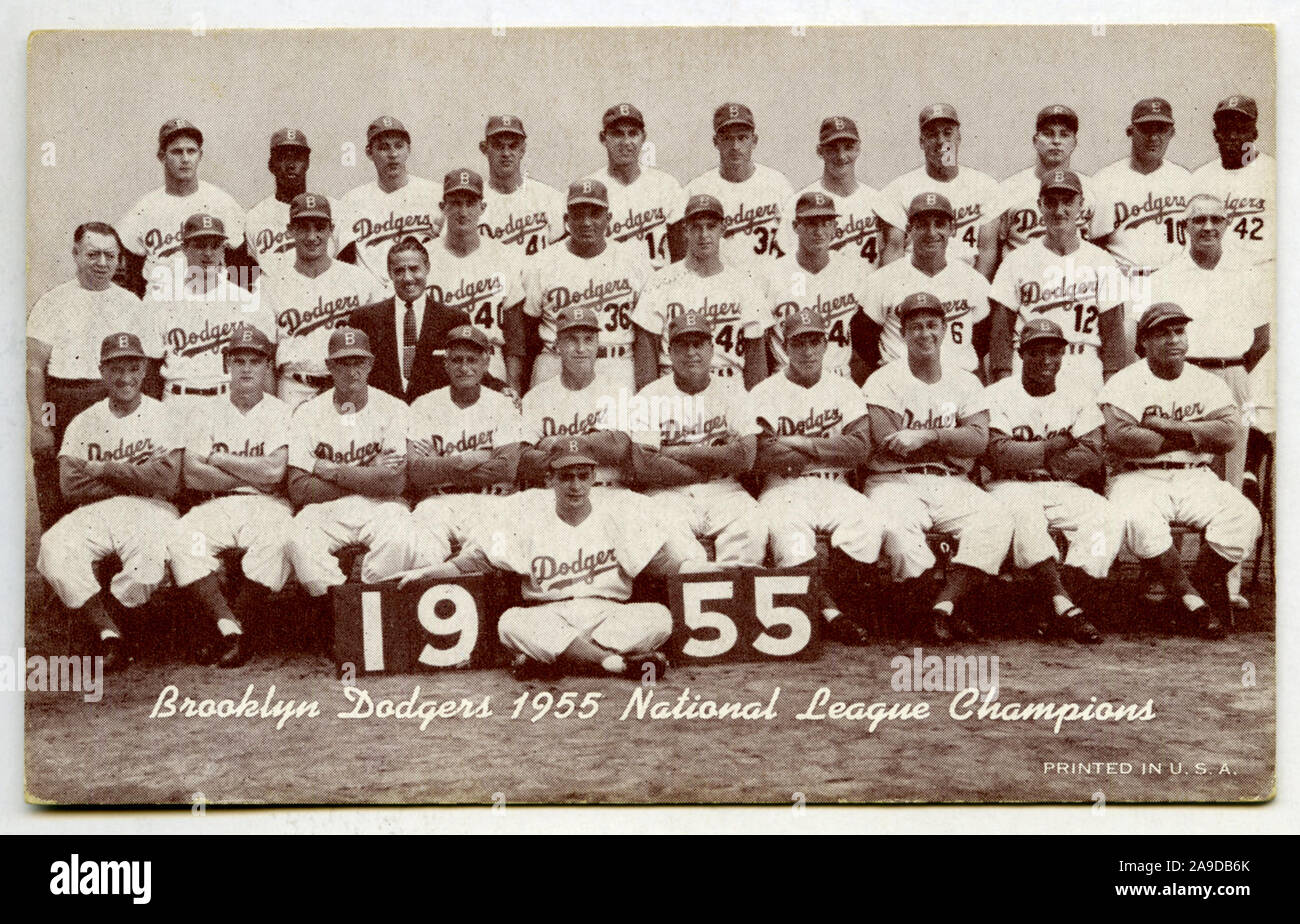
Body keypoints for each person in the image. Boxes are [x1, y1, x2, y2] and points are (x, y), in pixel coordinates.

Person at [394, 435, 704, 682]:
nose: (576, 485)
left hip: (607, 613)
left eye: (583, 476)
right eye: (566, 476)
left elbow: (664, 564)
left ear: (594, 477)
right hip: (549, 613)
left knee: (659, 618)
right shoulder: (527, 511)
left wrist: (713, 570)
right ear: (549, 480)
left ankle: (561, 659)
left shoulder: (617, 510)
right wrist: (433, 572)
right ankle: (611, 662)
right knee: (510, 623)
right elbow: (481, 559)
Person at [1099, 303, 1261, 638]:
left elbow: (1229, 435)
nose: (1174, 339)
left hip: (1194, 475)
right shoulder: (1125, 381)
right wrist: (1197, 433)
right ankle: (1192, 602)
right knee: (1139, 519)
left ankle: (1189, 592)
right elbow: (1122, 439)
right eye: (1162, 333)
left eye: (1179, 331)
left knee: (1244, 517)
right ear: (1143, 341)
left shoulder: (1207, 382)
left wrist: (1161, 426)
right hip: (1137, 475)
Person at [862, 292, 1013, 642]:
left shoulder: (965, 380)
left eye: (932, 325)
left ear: (945, 330)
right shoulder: (884, 379)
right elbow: (888, 442)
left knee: (996, 520)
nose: (925, 334)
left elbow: (978, 442)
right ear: (903, 332)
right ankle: (938, 611)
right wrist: (951, 441)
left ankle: (941, 607)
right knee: (897, 532)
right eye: (916, 327)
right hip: (894, 482)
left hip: (951, 482)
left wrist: (925, 435)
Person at [36, 333, 183, 671]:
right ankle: (108, 632)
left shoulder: (164, 415)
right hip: (97, 511)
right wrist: (139, 474)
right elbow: (70, 486)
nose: (125, 378)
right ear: (102, 371)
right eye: (116, 369)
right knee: (54, 546)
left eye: (133, 367)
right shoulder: (84, 421)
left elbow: (168, 482)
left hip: (153, 508)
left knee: (148, 554)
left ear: (145, 369)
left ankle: (125, 620)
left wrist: (103, 470)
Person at [748, 309, 883, 646]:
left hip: (834, 484)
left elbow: (859, 448)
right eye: (798, 343)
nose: (807, 351)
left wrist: (800, 444)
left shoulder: (845, 388)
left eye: (814, 341)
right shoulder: (764, 392)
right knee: (787, 534)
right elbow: (762, 454)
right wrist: (828, 446)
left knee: (868, 522)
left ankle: (831, 606)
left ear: (825, 344)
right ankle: (831, 614)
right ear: (785, 347)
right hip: (784, 488)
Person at [982, 318, 1123, 643]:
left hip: (1062, 484)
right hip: (1010, 484)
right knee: (1025, 513)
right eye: (1036, 353)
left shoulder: (1079, 394)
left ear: (1063, 355)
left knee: (1106, 517)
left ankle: (1054, 604)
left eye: (1053, 352)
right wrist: (1057, 446)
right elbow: (999, 454)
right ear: (1021, 354)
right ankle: (1063, 604)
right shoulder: (997, 394)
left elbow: (1092, 453)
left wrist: (1035, 454)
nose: (1046, 361)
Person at [165, 327, 293, 667]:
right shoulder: (205, 410)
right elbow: (192, 474)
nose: (246, 368)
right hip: (216, 504)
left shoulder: (280, 411)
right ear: (227, 364)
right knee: (183, 539)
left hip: (267, 504)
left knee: (281, 540)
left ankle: (237, 628)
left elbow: (274, 474)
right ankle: (231, 628)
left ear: (268, 366)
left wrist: (220, 458)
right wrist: (251, 470)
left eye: (255, 361)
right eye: (239, 361)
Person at [28, 223, 162, 529]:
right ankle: (57, 563)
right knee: (57, 484)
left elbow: (149, 367)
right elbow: (35, 369)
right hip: (63, 398)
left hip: (114, 400)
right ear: (76, 255)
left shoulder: (131, 304)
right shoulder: (52, 302)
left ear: (118, 260)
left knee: (111, 483)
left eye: (110, 256)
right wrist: (40, 424)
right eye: (93, 254)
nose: (102, 263)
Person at [629, 309, 768, 566]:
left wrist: (676, 453)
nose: (691, 352)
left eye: (699, 344)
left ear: (712, 349)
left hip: (725, 491)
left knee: (753, 525)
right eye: (682, 345)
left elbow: (745, 456)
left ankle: (731, 596)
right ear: (669, 353)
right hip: (668, 493)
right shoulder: (650, 395)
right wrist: (713, 462)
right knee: (673, 545)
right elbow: (645, 464)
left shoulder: (732, 391)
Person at [285, 327, 411, 598]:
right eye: (343, 363)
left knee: (402, 536)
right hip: (326, 508)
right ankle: (339, 601)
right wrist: (369, 473)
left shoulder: (394, 408)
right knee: (297, 537)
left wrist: (331, 471)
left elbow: (395, 482)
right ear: (329, 366)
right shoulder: (307, 413)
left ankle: (364, 593)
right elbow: (298, 489)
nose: (352, 371)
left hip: (382, 506)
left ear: (371, 364)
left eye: (359, 362)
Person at [988, 170, 1127, 392]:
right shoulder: (1017, 260)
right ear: (1040, 205)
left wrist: (1111, 390)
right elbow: (1001, 334)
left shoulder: (1102, 261)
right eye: (1050, 202)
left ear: (1081, 204)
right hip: (1028, 368)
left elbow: (1113, 337)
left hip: (1083, 362)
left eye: (1067, 202)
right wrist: (1005, 389)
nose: (1059, 210)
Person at [405, 324, 523, 570]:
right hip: (438, 504)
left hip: (491, 500)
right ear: (445, 363)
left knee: (493, 554)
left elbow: (506, 469)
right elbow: (416, 472)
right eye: (456, 360)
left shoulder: (502, 405)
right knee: (420, 552)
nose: (464, 367)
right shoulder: (424, 405)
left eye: (472, 359)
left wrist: (440, 464)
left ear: (486, 361)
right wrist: (479, 456)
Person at [520, 179, 651, 391]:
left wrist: (646, 391)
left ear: (608, 218)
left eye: (595, 214)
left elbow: (645, 334)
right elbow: (528, 333)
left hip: (615, 361)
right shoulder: (541, 262)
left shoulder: (633, 261)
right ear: (566, 220)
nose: (587, 222)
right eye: (578, 214)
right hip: (556, 361)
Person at [632, 193, 769, 392]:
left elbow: (756, 359)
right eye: (696, 227)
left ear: (722, 229)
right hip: (673, 386)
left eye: (711, 226)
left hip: (729, 384)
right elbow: (646, 354)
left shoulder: (744, 285)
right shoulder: (661, 281)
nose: (704, 234)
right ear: (685, 230)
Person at [348, 234, 503, 403]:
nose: (407, 278)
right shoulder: (365, 318)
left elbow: (469, 368)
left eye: (414, 269)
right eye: (399, 271)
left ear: (427, 268)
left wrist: (502, 388)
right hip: (385, 415)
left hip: (432, 415)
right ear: (389, 273)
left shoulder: (453, 319)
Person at [854, 192, 991, 379]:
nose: (932, 233)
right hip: (901, 380)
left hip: (959, 381)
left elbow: (983, 337)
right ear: (909, 230)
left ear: (952, 228)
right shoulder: (883, 279)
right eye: (922, 225)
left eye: (939, 224)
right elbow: (862, 338)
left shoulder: (973, 280)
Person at [150, 214, 277, 410]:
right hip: (178, 399)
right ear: (184, 248)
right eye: (200, 245)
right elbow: (150, 367)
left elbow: (265, 366)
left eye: (215, 245)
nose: (208, 253)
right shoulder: (162, 300)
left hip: (228, 400)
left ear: (223, 249)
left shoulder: (245, 299)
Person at [263, 193, 378, 409]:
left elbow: (378, 344)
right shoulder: (270, 284)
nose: (312, 236)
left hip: (346, 387)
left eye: (319, 227)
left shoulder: (359, 279)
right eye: (303, 227)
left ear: (331, 230)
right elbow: (266, 359)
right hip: (294, 388)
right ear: (290, 230)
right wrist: (272, 412)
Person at [424, 168, 527, 393]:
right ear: (443, 208)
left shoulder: (503, 256)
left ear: (482, 207)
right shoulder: (425, 257)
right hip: (438, 362)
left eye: (470, 203)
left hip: (490, 359)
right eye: (455, 202)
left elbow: (514, 334)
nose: (463, 211)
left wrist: (514, 383)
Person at [116, 118, 246, 296]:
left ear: (200, 155)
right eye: (176, 152)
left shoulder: (221, 202)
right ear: (162, 156)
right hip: (161, 301)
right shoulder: (144, 208)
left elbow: (241, 262)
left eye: (191, 151)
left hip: (210, 299)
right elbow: (129, 272)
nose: (185, 159)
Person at [977, 105, 1105, 281]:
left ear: (1074, 143)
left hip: (1076, 285)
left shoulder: (1092, 190)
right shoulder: (1006, 190)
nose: (1056, 141)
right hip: (1023, 284)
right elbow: (988, 252)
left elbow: (1101, 252)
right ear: (1035, 140)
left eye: (1064, 134)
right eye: (1048, 133)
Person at [518, 305, 633, 490]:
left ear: (597, 344)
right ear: (557, 345)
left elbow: (620, 447)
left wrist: (555, 444)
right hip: (555, 495)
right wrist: (596, 443)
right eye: (571, 340)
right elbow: (522, 458)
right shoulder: (536, 397)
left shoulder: (618, 391)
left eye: (588, 340)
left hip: (608, 490)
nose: (581, 348)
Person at [764, 191, 873, 381]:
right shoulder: (772, 273)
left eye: (826, 223)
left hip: (839, 378)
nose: (819, 231)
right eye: (811, 223)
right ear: (796, 226)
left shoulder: (853, 272)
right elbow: (758, 340)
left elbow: (866, 339)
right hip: (786, 379)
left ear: (835, 228)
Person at [881, 104, 999, 269]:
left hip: (967, 281)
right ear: (922, 142)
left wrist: (975, 292)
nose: (941, 141)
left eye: (948, 133)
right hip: (915, 282)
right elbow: (894, 250)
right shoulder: (899, 189)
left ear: (959, 137)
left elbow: (987, 250)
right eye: (932, 135)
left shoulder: (985, 185)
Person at [682, 103, 795, 270]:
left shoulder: (777, 184)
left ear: (754, 140)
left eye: (742, 138)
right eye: (727, 138)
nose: (735, 147)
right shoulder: (697, 189)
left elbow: (794, 246)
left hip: (769, 288)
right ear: (716, 142)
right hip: (720, 289)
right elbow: (685, 254)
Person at [336, 116, 443, 289]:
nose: (393, 154)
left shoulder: (434, 194)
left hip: (424, 292)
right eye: (383, 147)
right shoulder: (352, 201)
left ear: (408, 149)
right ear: (369, 153)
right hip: (374, 300)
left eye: (399, 146)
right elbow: (340, 262)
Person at [785, 115, 903, 271]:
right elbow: (789, 263)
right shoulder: (799, 203)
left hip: (869, 292)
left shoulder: (879, 201)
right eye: (832, 148)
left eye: (848, 147)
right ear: (820, 151)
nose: (841, 156)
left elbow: (894, 256)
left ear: (858, 148)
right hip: (822, 292)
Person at [1089, 98, 1191, 276]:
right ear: (1130, 131)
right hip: (1128, 279)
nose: (1154, 138)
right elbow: (1091, 243)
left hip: (1176, 279)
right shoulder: (1104, 180)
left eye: (1161, 129)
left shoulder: (1185, 179)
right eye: (1145, 129)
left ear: (1172, 133)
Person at [585, 103, 684, 270]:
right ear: (603, 138)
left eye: (633, 134)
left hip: (659, 284)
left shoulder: (666, 185)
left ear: (643, 137)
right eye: (617, 134)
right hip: (611, 288)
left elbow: (681, 254)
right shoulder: (589, 189)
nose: (626, 142)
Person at [1189, 95, 1275, 267]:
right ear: (1216, 135)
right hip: (1217, 277)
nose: (1233, 137)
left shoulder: (1275, 173)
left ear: (1254, 134)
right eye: (1226, 130)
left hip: (1263, 271)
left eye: (1241, 129)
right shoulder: (1199, 178)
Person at [244, 127, 338, 280]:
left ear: (307, 163)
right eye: (283, 157)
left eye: (298, 157)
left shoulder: (332, 208)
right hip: (276, 299)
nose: (291, 164)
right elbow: (248, 274)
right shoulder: (255, 216)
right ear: (271, 165)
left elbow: (347, 267)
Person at [478, 114, 567, 257]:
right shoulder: (473, 203)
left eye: (513, 146)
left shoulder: (549, 198)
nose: (506, 153)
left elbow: (564, 255)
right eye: (498, 146)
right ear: (484, 148)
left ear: (522, 150)